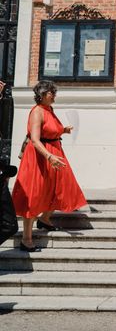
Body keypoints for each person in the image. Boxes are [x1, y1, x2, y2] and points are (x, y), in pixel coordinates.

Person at [11, 81, 87, 252]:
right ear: (41, 94)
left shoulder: (49, 110)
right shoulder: (37, 112)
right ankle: (26, 238)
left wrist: (63, 131)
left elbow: (50, 130)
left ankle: (45, 219)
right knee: (34, 193)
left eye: (54, 92)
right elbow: (36, 139)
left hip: (54, 152)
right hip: (40, 155)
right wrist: (49, 156)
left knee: (61, 186)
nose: (53, 95)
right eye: (50, 92)